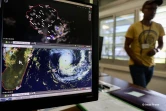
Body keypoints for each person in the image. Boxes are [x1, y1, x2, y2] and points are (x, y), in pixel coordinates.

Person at [124, 0, 165, 88]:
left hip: (151, 65)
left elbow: (161, 44)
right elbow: (126, 46)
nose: (153, 11)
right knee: (142, 89)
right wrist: (136, 60)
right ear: (142, 10)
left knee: (141, 89)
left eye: (155, 9)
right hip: (137, 65)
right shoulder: (134, 27)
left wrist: (156, 50)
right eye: (150, 9)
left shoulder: (159, 27)